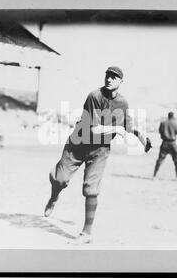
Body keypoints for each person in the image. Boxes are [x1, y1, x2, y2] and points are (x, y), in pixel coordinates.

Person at [44, 66, 152, 244]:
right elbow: (94, 128)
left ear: (121, 82)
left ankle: (86, 233)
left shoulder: (123, 102)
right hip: (79, 142)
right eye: (107, 76)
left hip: (100, 149)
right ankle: (54, 196)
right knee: (60, 180)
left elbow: (127, 123)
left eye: (114, 77)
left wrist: (141, 136)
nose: (109, 79)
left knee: (91, 189)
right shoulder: (94, 96)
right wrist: (117, 128)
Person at [153, 112, 177, 180]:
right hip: (173, 143)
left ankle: (154, 176)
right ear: (173, 116)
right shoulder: (176, 123)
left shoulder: (163, 123)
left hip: (164, 143)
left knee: (160, 160)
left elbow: (160, 131)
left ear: (168, 116)